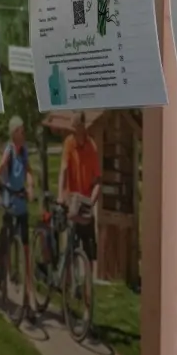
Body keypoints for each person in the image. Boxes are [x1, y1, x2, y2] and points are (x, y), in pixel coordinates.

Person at [0, 116, 32, 315]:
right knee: (6, 241)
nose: (23, 134)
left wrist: (30, 186)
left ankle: (27, 297)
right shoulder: (9, 150)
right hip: (9, 200)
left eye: (24, 131)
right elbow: (0, 167)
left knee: (25, 247)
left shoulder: (24, 152)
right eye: (21, 131)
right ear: (14, 133)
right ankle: (0, 270)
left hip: (21, 203)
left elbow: (29, 172)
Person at [59, 110, 102, 261]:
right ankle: (67, 279)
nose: (73, 130)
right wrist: (61, 194)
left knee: (89, 252)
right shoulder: (69, 143)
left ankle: (88, 282)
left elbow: (97, 180)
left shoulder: (92, 147)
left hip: (84, 204)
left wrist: (92, 201)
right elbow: (64, 170)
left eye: (75, 126)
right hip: (71, 201)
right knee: (68, 249)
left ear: (83, 127)